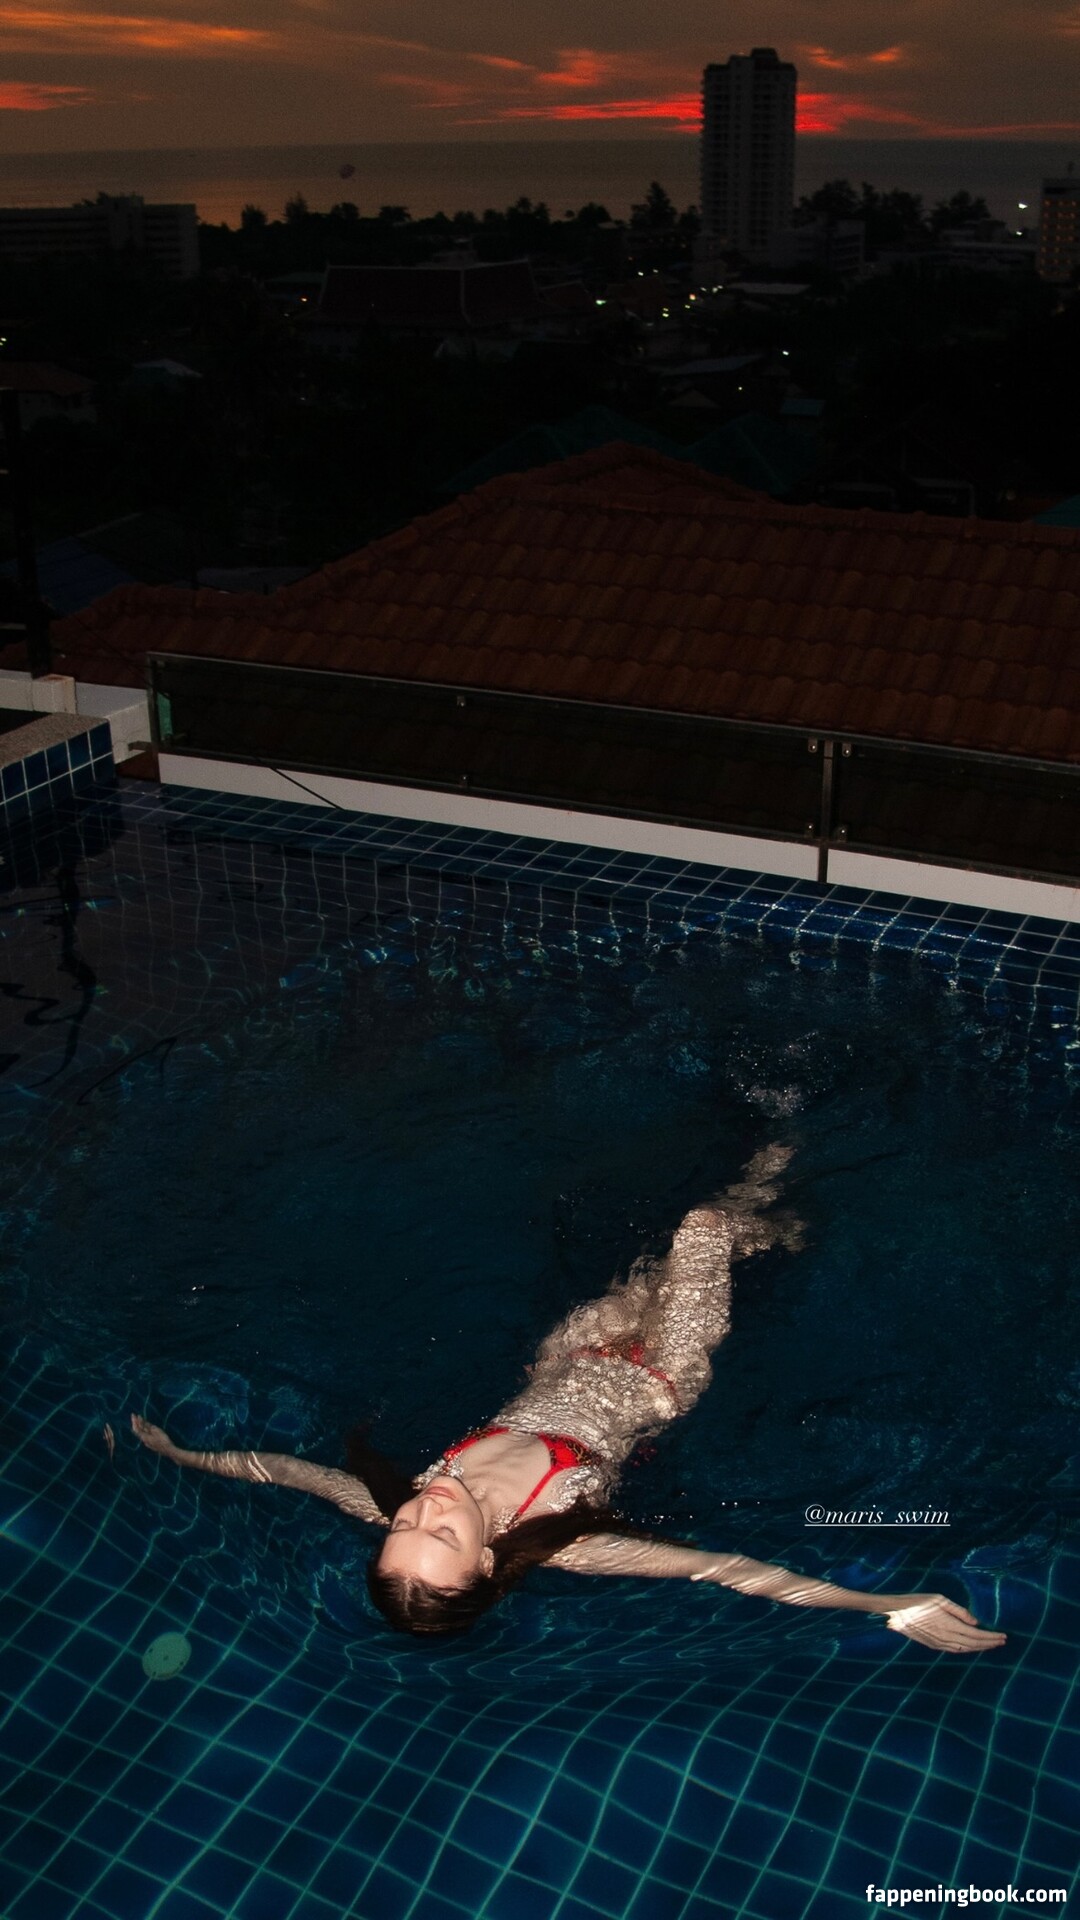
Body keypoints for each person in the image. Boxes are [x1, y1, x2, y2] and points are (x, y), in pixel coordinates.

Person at [130, 1147, 1006, 1652]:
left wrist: (180, 1453)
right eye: (441, 1535)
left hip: (576, 1349)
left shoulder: (390, 1501)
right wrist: (885, 1606)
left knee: (674, 1258)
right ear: (485, 1564)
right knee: (703, 1229)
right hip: (662, 1376)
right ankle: (783, 1174)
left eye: (403, 1528)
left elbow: (283, 1471)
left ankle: (774, 1223)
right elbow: (728, 1571)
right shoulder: (572, 1549)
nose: (424, 1509)